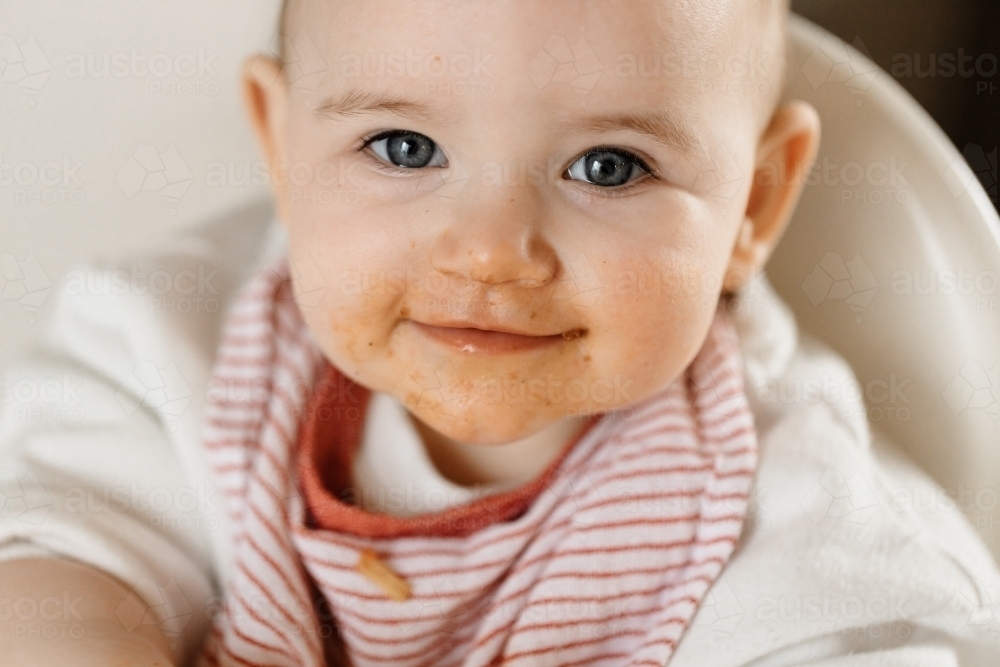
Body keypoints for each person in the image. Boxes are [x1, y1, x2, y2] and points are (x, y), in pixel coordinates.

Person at [1, 0, 998, 665]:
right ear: (282, 143)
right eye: (403, 147)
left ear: (755, 204)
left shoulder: (809, 533)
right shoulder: (167, 340)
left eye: (607, 166)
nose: (489, 252)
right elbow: (59, 568)